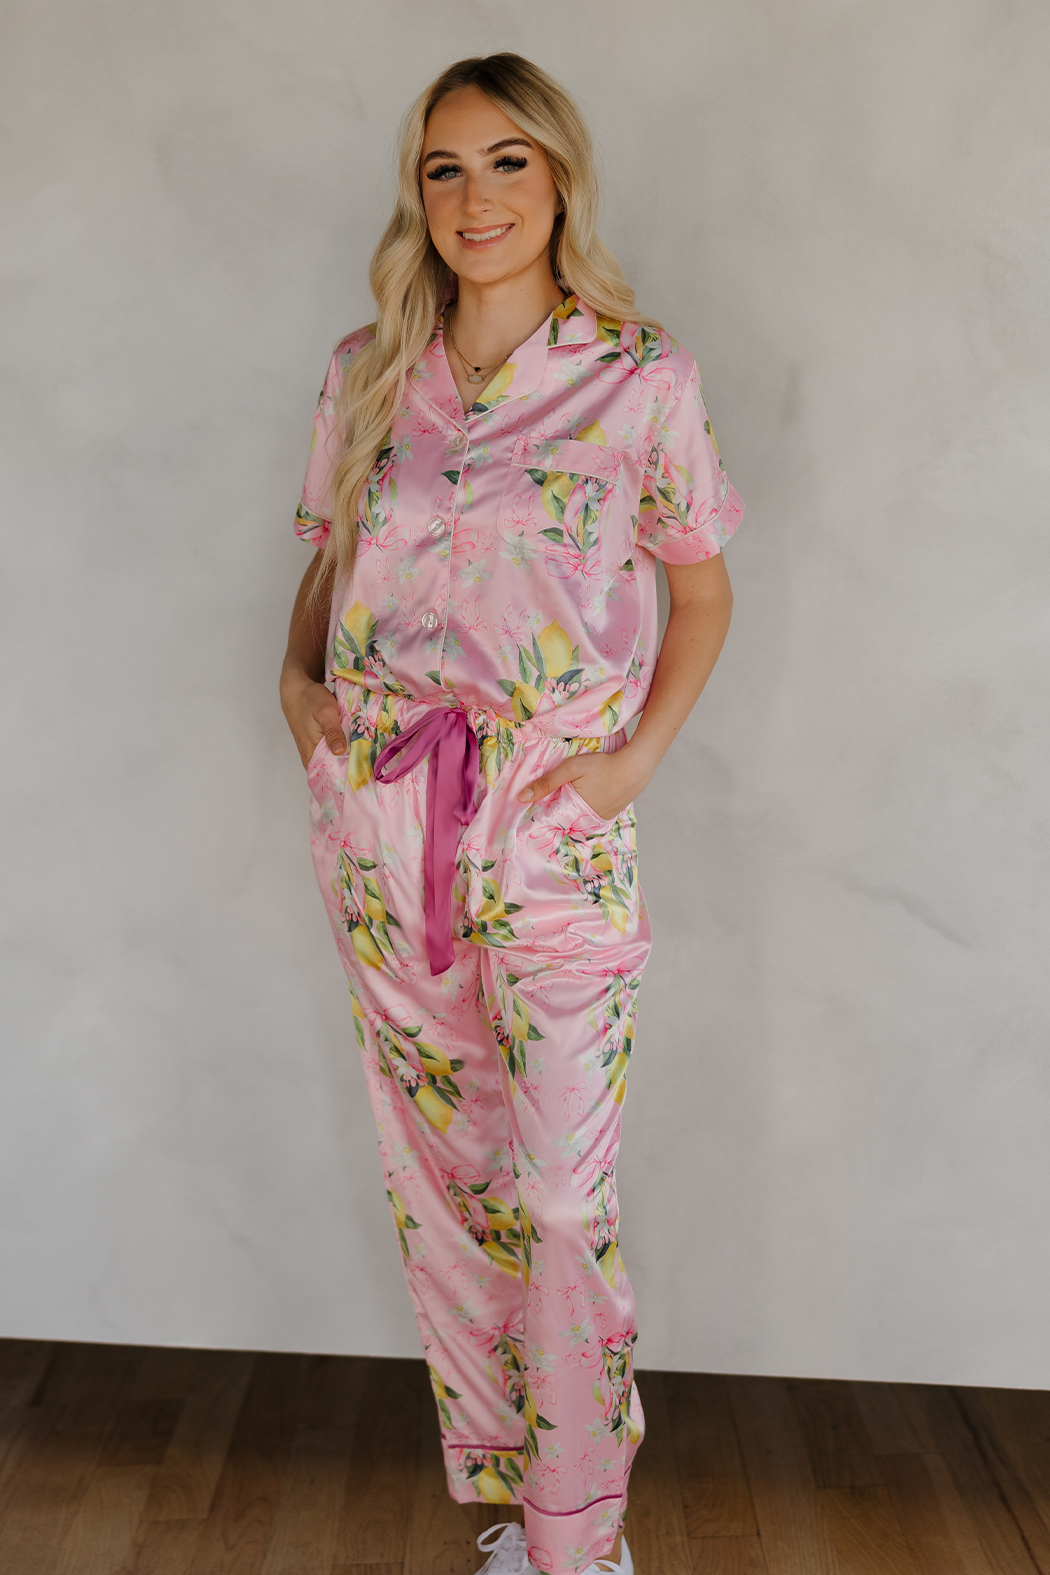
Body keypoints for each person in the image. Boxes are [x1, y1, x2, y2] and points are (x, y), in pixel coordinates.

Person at [280, 52, 741, 1575]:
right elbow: (328, 557)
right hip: (384, 824)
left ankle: (582, 1539)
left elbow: (700, 591)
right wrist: (298, 693)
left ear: (558, 180)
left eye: (506, 163)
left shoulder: (639, 375)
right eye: (444, 168)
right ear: (416, 195)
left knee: (553, 1196)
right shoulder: (367, 370)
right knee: (448, 1182)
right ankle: (522, 1519)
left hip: (552, 828)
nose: (475, 198)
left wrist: (625, 769)